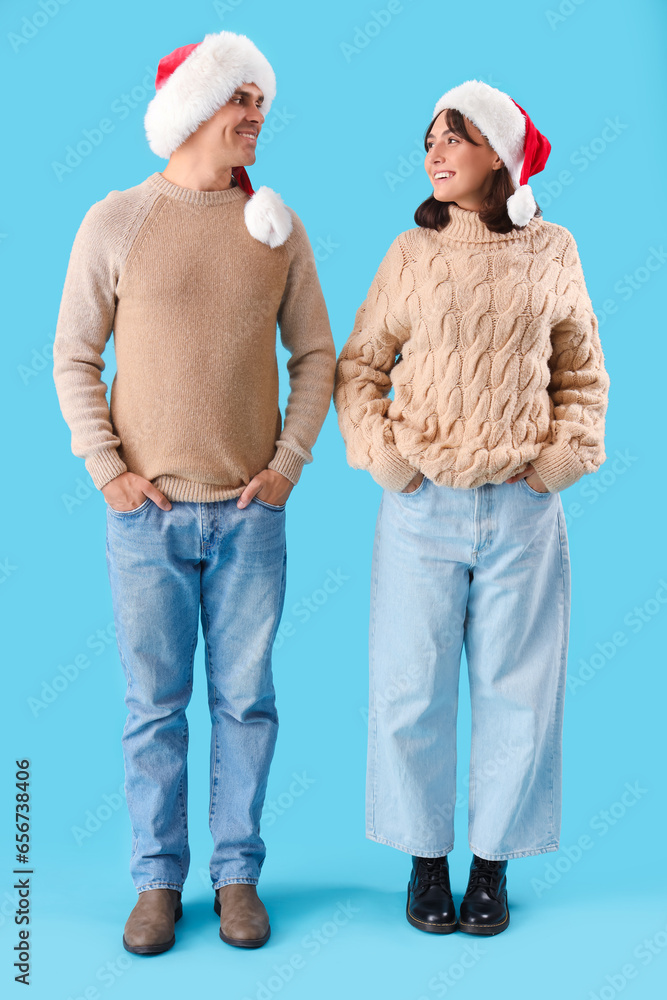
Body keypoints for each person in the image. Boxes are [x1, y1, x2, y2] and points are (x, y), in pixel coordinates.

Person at [53, 30, 335, 955]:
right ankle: (157, 884)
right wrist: (109, 471)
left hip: (250, 518)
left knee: (246, 703)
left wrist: (287, 466)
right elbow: (74, 357)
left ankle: (238, 875)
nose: (256, 115)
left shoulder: (276, 230)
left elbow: (318, 358)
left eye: (263, 101)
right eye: (239, 98)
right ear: (194, 108)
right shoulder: (116, 220)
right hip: (150, 518)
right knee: (153, 707)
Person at [333, 79, 610, 936]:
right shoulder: (409, 255)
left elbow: (584, 376)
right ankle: (425, 864)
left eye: (453, 138)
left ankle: (489, 869)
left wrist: (555, 463)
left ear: (497, 151)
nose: (435, 153)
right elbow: (359, 367)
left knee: (517, 692)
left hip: (523, 510)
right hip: (422, 506)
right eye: (428, 141)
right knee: (408, 688)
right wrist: (386, 460)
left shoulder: (553, 249)